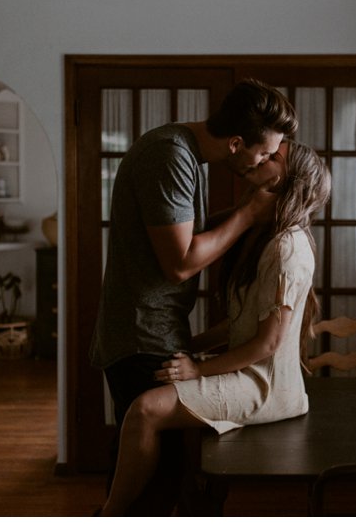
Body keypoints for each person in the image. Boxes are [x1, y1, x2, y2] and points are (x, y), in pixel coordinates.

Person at [89, 78, 298, 515]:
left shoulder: (183, 153)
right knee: (152, 492)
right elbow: (181, 262)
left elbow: (186, 233)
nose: (264, 160)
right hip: (141, 334)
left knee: (162, 479)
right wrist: (247, 214)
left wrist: (255, 218)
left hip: (157, 330)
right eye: (263, 153)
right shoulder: (169, 157)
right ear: (237, 143)